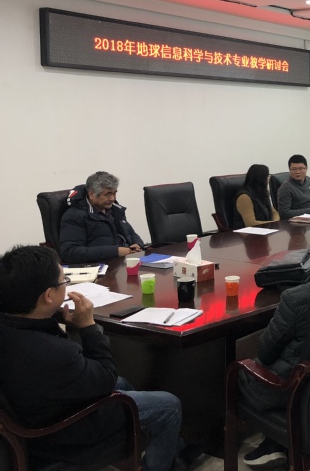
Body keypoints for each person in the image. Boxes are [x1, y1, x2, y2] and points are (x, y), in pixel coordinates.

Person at [0, 245, 186, 471]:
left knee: (123, 384)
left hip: (31, 408)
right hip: (62, 430)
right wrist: (88, 327)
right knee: (168, 405)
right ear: (48, 296)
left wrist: (53, 317)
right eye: (64, 281)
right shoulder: (54, 353)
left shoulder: (12, 327)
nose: (66, 286)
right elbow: (106, 376)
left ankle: (166, 447)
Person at [239, 223, 310, 467]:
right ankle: (275, 441)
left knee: (239, 368)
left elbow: (265, 352)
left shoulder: (296, 298)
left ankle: (274, 440)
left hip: (299, 388)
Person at [60, 171, 144, 264]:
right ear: (92, 194)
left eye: (114, 193)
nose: (112, 199)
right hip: (100, 266)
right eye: (108, 194)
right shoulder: (75, 216)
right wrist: (116, 251)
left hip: (123, 262)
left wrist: (137, 244)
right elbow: (70, 252)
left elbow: (130, 233)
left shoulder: (115, 210)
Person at [233, 164, 280, 229]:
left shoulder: (262, 193)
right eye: (267, 176)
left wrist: (274, 222)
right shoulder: (244, 197)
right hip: (248, 233)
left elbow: (274, 213)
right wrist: (272, 223)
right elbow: (250, 223)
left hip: (264, 229)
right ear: (261, 179)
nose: (269, 179)